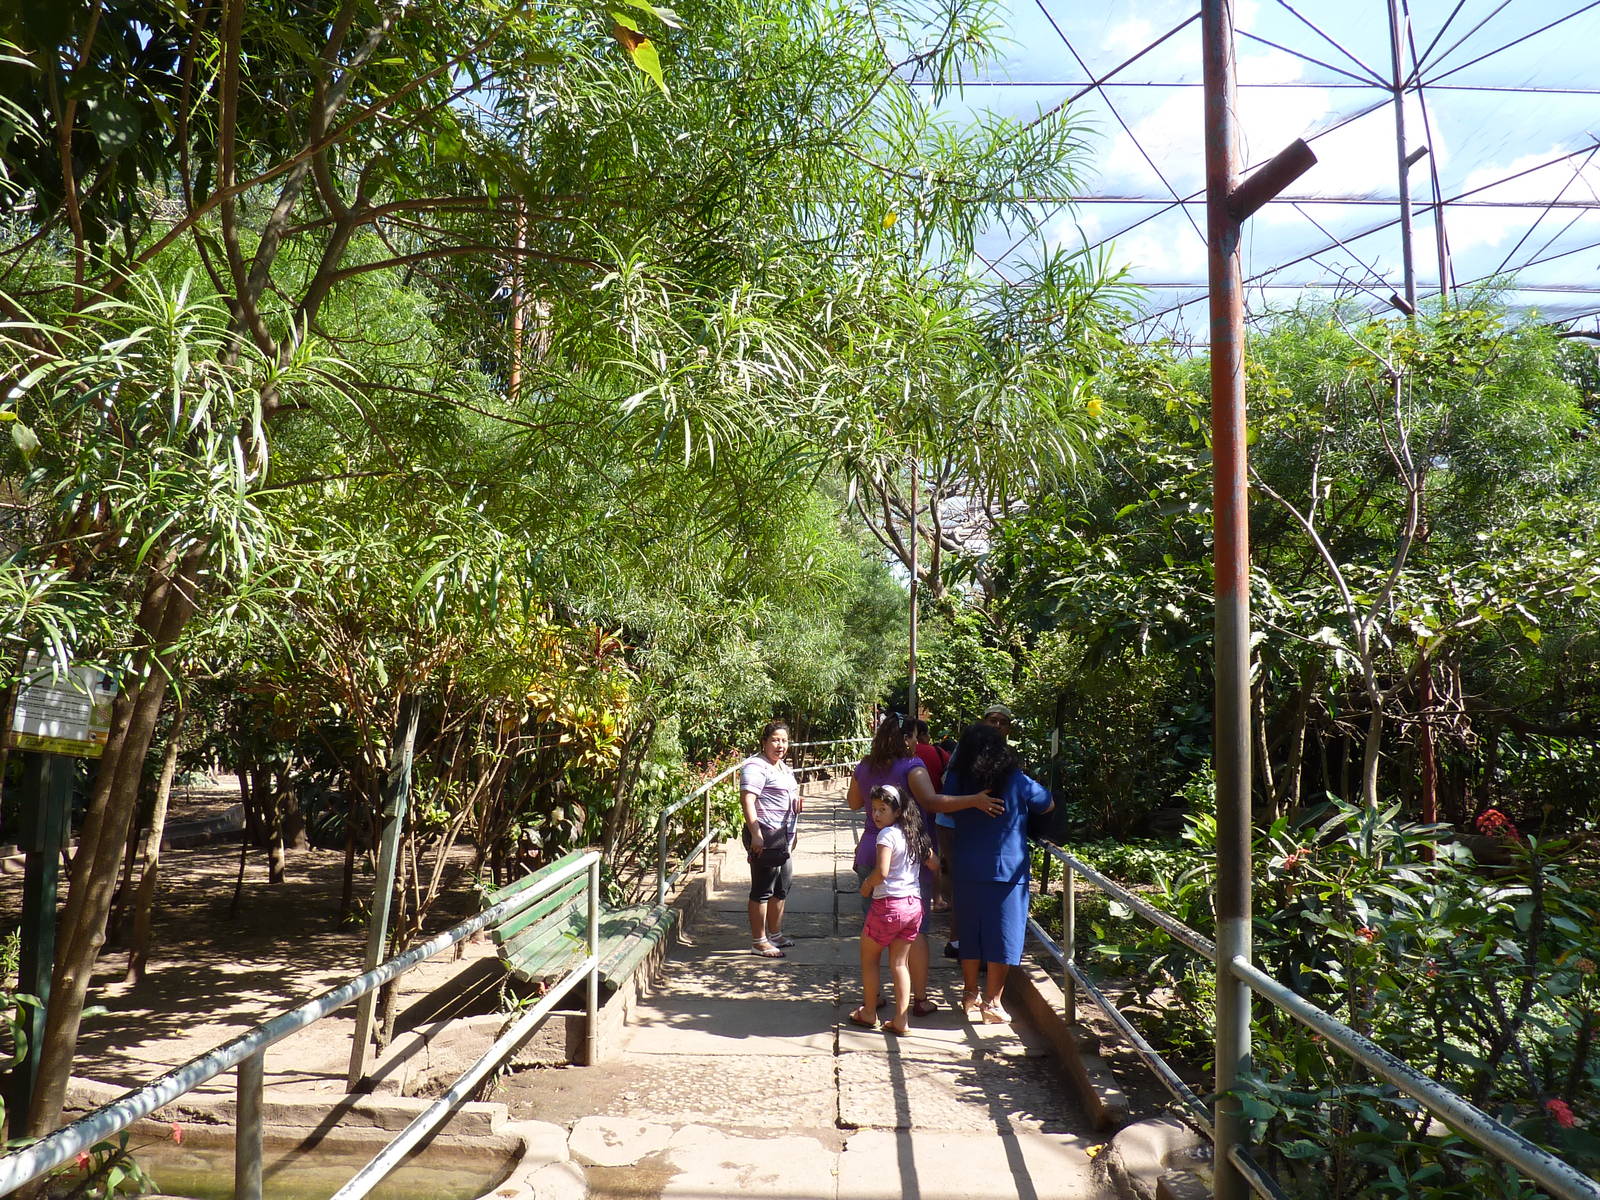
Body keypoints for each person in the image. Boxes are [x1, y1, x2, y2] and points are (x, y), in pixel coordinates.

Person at [847, 713, 1000, 1014]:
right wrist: (974, 800)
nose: (917, 742)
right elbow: (931, 802)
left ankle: (872, 999)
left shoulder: (865, 765)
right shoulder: (912, 767)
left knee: (874, 932)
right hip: (909, 857)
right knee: (915, 931)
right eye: (914, 736)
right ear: (905, 738)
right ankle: (919, 999)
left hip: (870, 853)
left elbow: (853, 802)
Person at [944, 719, 1052, 1025]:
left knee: (970, 932)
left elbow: (943, 805)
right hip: (1007, 872)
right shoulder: (1015, 779)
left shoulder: (958, 779)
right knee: (1003, 935)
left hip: (966, 866)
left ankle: (969, 995)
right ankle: (992, 1003)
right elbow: (1046, 802)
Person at [850, 785, 940, 1034]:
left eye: (883, 810)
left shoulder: (886, 836)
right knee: (900, 963)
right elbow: (933, 863)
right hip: (913, 905)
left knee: (869, 958)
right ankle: (901, 1020)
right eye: (874, 809)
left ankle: (869, 1012)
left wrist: (867, 885)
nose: (876, 815)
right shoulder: (912, 834)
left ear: (897, 811)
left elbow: (882, 872)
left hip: (888, 905)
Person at [939, 703, 1014, 960]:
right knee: (963, 883)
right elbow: (948, 793)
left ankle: (964, 941)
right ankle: (958, 941)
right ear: (983, 722)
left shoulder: (1003, 754)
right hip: (955, 824)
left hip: (979, 829)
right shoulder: (969, 748)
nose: (996, 725)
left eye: (1002, 722)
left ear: (1008, 728)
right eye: (992, 720)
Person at [739, 720, 801, 958]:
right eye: (775, 739)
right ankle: (759, 940)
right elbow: (748, 800)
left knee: (782, 886)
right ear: (764, 742)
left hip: (782, 837)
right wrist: (756, 835)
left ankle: (775, 934)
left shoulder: (783, 768)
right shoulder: (756, 766)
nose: (780, 745)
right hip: (764, 835)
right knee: (762, 889)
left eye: (784, 740)